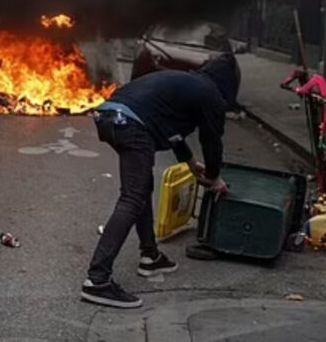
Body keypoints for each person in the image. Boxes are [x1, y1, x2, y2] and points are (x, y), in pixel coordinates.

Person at [80, 56, 233, 309]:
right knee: (132, 198)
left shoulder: (187, 84)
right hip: (131, 125)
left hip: (110, 116)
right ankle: (97, 280)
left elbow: (168, 127)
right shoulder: (211, 95)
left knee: (141, 189)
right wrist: (214, 176)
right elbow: (212, 140)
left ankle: (150, 255)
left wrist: (190, 163)